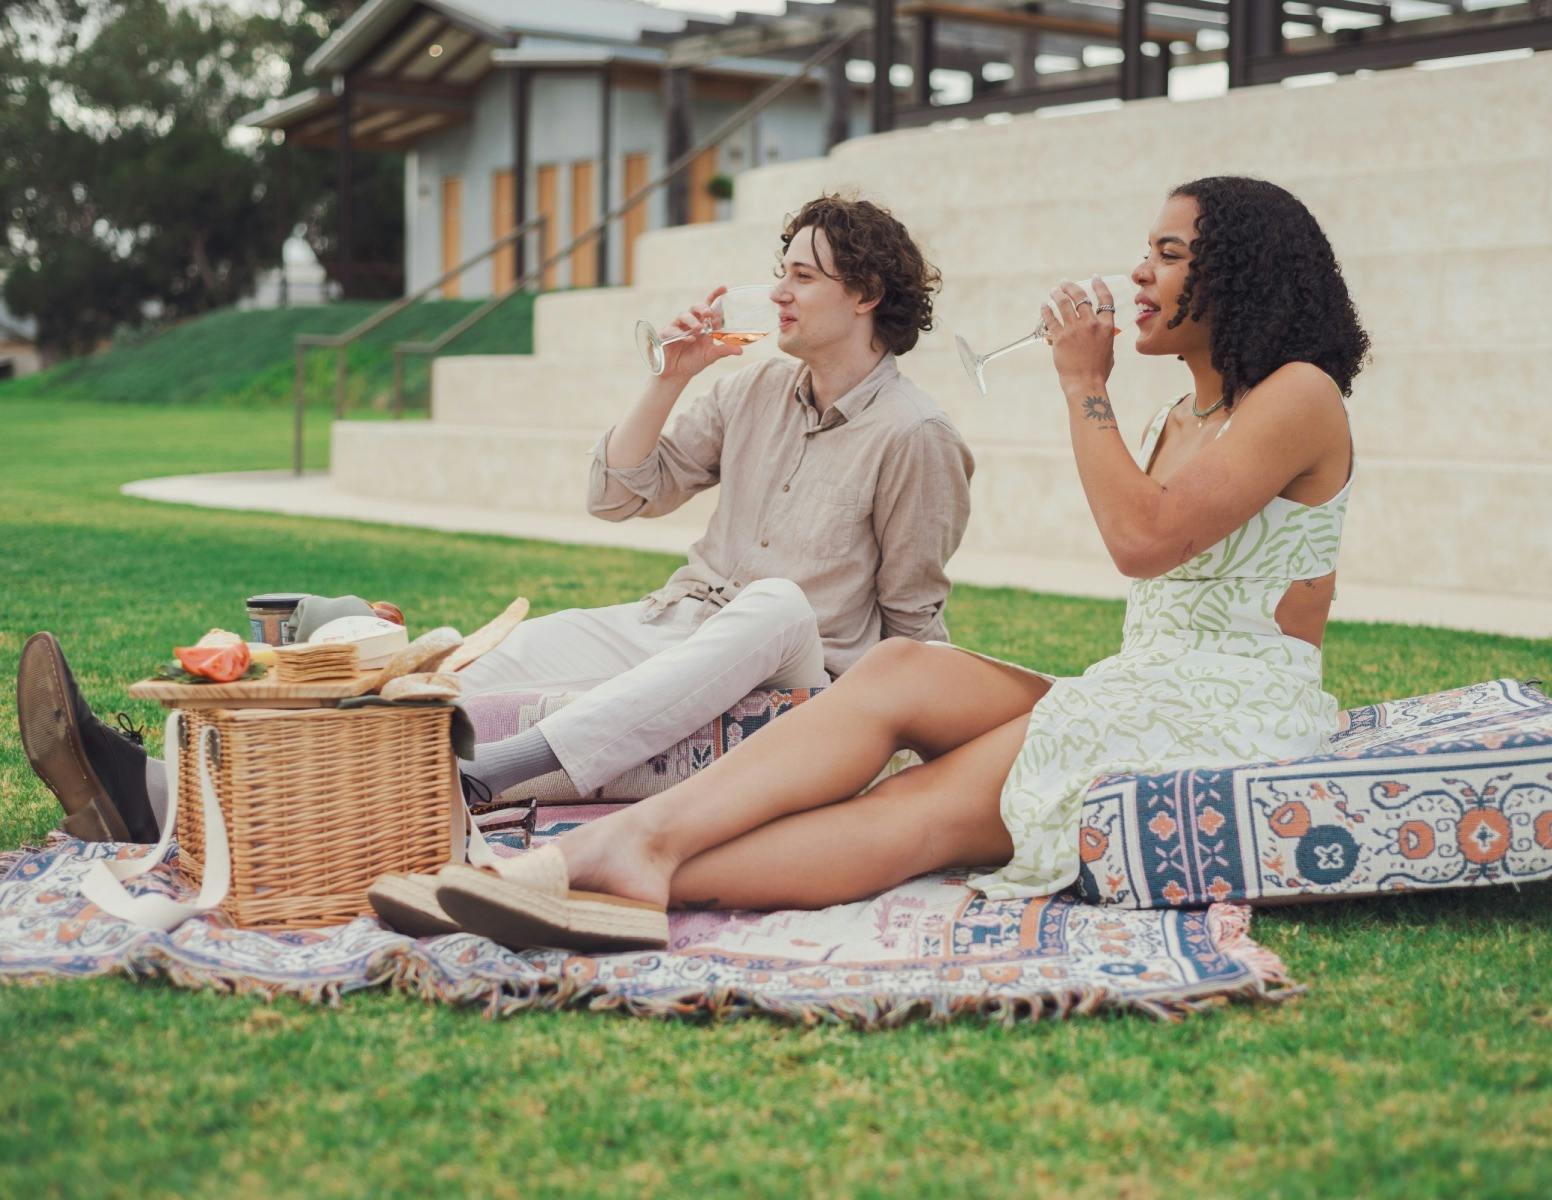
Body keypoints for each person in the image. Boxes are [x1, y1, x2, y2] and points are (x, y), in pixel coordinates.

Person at [425, 175, 1372, 950]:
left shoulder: (1301, 394)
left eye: (1169, 253)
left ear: (1241, 271)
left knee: (920, 811)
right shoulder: (1185, 414)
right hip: (1148, 683)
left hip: (1231, 706)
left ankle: (621, 859)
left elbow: (1142, 541)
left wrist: (1084, 385)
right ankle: (617, 840)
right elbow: (1146, 550)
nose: (1139, 270)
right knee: (899, 668)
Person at [15, 195, 974, 850]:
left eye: (804, 276)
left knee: (774, 605)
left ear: (866, 295)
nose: (780, 291)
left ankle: (490, 775)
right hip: (674, 623)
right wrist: (670, 379)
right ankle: (152, 794)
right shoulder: (758, 386)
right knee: (454, 672)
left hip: (798, 674)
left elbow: (916, 639)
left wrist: (858, 760)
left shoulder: (918, 436)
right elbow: (618, 493)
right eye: (783, 270)